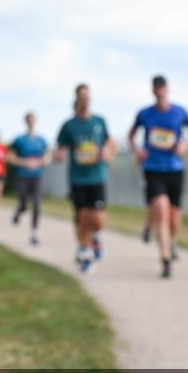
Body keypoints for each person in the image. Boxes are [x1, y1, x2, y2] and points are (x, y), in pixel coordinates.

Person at [128, 75, 188, 278]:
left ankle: (172, 241)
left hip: (175, 168)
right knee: (160, 207)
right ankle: (165, 258)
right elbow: (131, 135)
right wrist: (137, 150)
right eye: (156, 89)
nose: (160, 92)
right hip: (153, 168)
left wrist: (185, 145)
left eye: (162, 88)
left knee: (174, 217)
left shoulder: (179, 112)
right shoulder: (145, 114)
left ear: (167, 89)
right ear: (152, 91)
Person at [55, 83, 115, 273]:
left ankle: (95, 238)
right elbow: (61, 147)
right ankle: (85, 250)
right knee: (82, 216)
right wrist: (60, 154)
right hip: (78, 178)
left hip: (97, 176)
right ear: (76, 99)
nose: (85, 100)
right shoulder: (69, 125)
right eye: (82, 96)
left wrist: (106, 151)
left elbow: (110, 142)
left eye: (88, 96)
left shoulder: (99, 121)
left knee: (97, 219)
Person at [8, 112, 51, 246]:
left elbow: (48, 156)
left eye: (33, 120)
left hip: (37, 175)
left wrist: (41, 162)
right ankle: (18, 213)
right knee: (24, 204)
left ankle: (34, 233)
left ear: (36, 121)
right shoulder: (19, 140)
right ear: (26, 121)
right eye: (29, 120)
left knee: (37, 204)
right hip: (22, 175)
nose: (31, 122)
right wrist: (23, 162)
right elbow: (9, 156)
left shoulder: (41, 140)